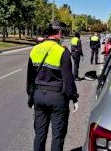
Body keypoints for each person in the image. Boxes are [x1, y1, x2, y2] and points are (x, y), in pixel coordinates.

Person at [27, 21, 79, 151]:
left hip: (39, 96)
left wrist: (32, 97)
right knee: (57, 136)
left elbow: (30, 78)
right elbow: (68, 79)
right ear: (59, 33)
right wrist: (74, 97)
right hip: (57, 97)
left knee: (39, 133)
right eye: (62, 33)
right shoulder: (62, 51)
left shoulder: (34, 49)